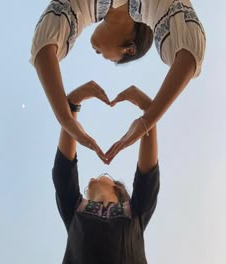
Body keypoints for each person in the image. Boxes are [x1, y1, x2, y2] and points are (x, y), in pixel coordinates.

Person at [30, 0, 206, 163]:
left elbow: (43, 47)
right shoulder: (152, 3)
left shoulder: (83, 6)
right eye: (112, 59)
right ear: (129, 49)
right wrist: (147, 120)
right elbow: (190, 55)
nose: (99, 54)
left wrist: (66, 119)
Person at [53, 84, 160, 263]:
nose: (92, 178)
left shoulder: (134, 211)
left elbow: (148, 177)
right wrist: (72, 105)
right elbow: (63, 170)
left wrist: (149, 114)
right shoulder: (75, 209)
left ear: (117, 187)